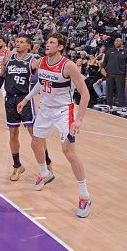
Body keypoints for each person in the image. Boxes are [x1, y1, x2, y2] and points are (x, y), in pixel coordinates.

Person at [17, 34, 92, 218]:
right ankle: (45, 174)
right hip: (45, 109)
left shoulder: (68, 66)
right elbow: (41, 85)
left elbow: (85, 94)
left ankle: (84, 195)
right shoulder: (41, 62)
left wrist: (79, 119)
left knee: (68, 152)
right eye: (47, 42)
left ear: (60, 47)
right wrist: (26, 99)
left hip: (63, 112)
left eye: (51, 42)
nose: (47, 44)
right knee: (35, 144)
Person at [0, 35, 52, 181]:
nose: (18, 44)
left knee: (34, 134)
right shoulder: (8, 58)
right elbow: (2, 77)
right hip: (10, 99)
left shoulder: (33, 61)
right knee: (13, 133)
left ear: (28, 46)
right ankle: (17, 165)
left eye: (22, 42)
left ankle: (47, 162)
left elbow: (43, 80)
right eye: (17, 42)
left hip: (25, 100)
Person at [101, 38, 127, 107]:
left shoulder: (126, 52)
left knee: (120, 90)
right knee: (109, 90)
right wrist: (102, 69)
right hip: (109, 74)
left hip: (120, 74)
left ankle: (122, 106)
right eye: (115, 41)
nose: (116, 42)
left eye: (118, 41)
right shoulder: (109, 51)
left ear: (122, 42)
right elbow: (105, 62)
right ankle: (109, 105)